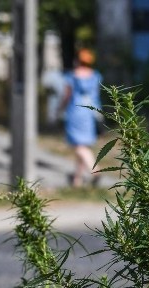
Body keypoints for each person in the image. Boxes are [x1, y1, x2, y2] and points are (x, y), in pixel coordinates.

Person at [61, 48, 102, 187]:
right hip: (90, 112)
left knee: (78, 145)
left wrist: (59, 109)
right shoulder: (95, 75)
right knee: (83, 144)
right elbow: (96, 95)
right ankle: (77, 180)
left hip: (75, 111)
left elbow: (67, 96)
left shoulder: (72, 76)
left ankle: (94, 169)